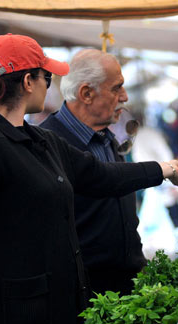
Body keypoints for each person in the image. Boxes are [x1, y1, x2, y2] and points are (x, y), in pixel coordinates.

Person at [0, 34, 178, 324]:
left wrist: (164, 169)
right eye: (48, 77)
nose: (51, 85)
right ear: (28, 81)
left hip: (52, 317)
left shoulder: (39, 139)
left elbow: (102, 177)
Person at [41, 49, 160, 296]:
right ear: (86, 93)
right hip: (84, 302)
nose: (125, 97)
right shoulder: (46, 145)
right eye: (117, 88)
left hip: (130, 292)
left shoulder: (110, 137)